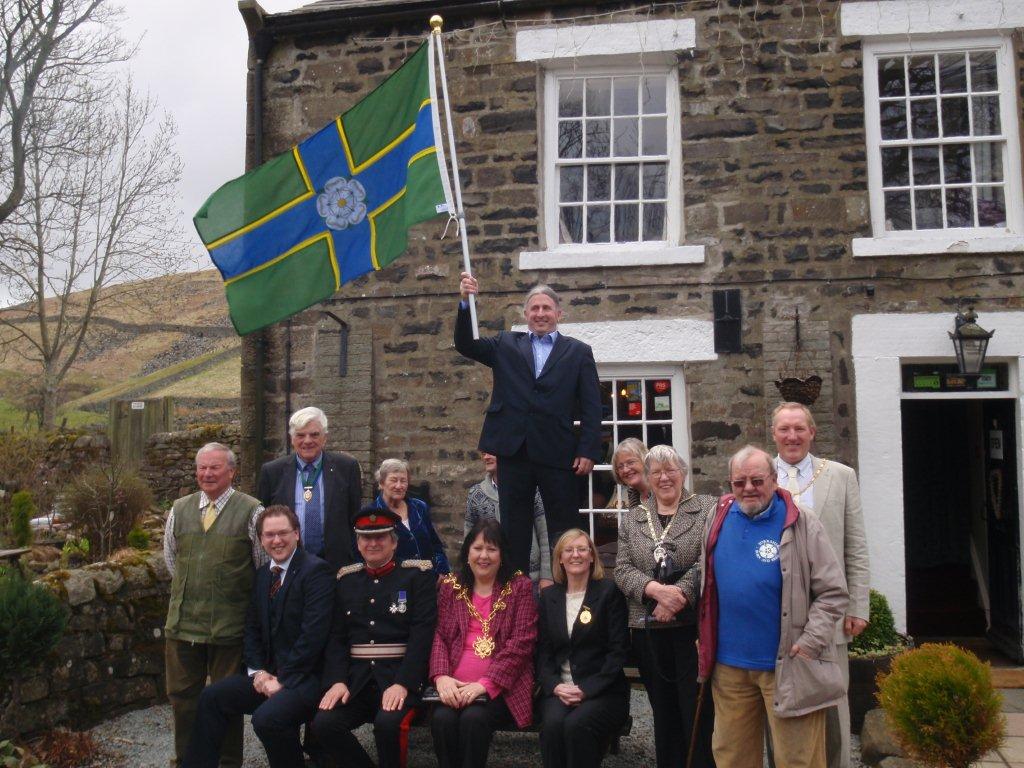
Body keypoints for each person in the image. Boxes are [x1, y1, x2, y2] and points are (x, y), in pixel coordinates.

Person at [698, 446, 849, 768]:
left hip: (789, 666)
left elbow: (833, 592)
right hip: (729, 669)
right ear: (730, 483)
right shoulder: (717, 516)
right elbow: (707, 583)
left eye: (757, 480)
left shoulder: (801, 522)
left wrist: (810, 643)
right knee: (732, 759)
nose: (748, 488)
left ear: (774, 478)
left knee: (798, 760)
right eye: (739, 482)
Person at [454, 274, 602, 572]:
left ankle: (568, 585)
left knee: (564, 525)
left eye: (547, 308)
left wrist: (587, 449)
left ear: (559, 314)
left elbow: (592, 406)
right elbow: (466, 344)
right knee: (514, 527)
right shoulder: (506, 343)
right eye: (535, 308)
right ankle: (516, 588)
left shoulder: (578, 352)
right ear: (525, 314)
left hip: (557, 451)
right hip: (514, 450)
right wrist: (465, 302)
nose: (540, 313)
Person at [182, 506, 334, 768]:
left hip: (307, 679)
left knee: (267, 719)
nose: (277, 541)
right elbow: (251, 629)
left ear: (297, 534)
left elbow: (313, 636)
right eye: (269, 535)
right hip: (268, 676)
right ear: (261, 539)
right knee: (212, 697)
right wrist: (258, 672)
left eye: (283, 533)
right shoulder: (263, 574)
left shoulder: (316, 572)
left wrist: (283, 679)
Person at [771, 402, 870, 768]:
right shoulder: (759, 477)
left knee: (833, 703)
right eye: (784, 429)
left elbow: (855, 545)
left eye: (799, 428)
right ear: (774, 434)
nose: (792, 436)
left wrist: (858, 605)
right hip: (777, 610)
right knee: (780, 705)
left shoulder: (841, 476)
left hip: (829, 609)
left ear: (812, 432)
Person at [163, 442, 266, 768]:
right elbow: (172, 561)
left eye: (215, 467)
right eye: (202, 468)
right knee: (183, 700)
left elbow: (262, 566)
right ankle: (187, 761)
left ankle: (227, 762)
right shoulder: (179, 509)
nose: (207, 474)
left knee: (225, 700)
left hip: (229, 626)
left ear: (231, 472)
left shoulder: (252, 511)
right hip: (183, 624)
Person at [614, 444, 717, 768]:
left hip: (691, 627)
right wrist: (655, 591)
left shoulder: (706, 508)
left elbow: (709, 560)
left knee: (696, 708)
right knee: (663, 710)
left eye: (670, 470)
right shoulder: (633, 519)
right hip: (648, 628)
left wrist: (679, 595)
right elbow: (622, 569)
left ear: (683, 473)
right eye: (656, 472)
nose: (664, 478)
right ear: (648, 477)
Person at [309, 508, 437, 768]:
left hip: (398, 677)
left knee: (387, 725)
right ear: (358, 543)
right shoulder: (346, 579)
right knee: (323, 724)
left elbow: (422, 635)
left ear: (394, 542)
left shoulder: (417, 576)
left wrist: (404, 683)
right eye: (366, 538)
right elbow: (337, 638)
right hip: (357, 681)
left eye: (380, 537)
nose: (373, 543)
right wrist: (337, 680)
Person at [429, 518, 538, 768]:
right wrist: (441, 677)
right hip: (453, 686)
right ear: (467, 553)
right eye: (477, 548)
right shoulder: (451, 587)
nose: (484, 556)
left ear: (502, 555)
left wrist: (484, 685)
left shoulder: (519, 587)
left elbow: (521, 644)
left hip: (500, 689)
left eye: (491, 549)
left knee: (473, 719)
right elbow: (439, 635)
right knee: (442, 720)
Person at [537, 529, 630, 768]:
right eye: (568, 550)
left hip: (603, 691)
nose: (575, 555)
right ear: (560, 558)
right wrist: (555, 686)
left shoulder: (608, 592)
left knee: (576, 726)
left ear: (591, 556)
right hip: (561, 690)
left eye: (581, 549)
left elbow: (618, 652)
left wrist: (586, 689)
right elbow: (544, 653)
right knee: (553, 726)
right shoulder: (549, 597)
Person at [257, 406, 362, 570]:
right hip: (289, 564)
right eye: (300, 435)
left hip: (337, 565)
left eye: (314, 434)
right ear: (291, 439)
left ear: (325, 437)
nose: (307, 441)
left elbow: (354, 517)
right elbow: (264, 520)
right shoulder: (272, 472)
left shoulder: (347, 467)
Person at [465, 451, 552, 587]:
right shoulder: (476, 493)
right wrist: (469, 577)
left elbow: (544, 533)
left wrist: (547, 576)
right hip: (489, 579)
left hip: (530, 577)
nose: (486, 457)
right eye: (484, 453)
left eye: (492, 453)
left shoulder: (531, 490)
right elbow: (468, 539)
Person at [366, 458, 450, 574]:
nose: (399, 486)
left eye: (403, 481)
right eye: (393, 480)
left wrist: (441, 571)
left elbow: (435, 545)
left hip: (427, 579)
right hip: (393, 581)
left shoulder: (419, 507)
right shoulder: (371, 514)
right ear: (381, 483)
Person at [609, 437, 651, 509]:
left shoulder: (661, 491)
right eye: (620, 466)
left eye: (631, 462)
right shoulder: (633, 495)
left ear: (645, 460)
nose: (625, 470)